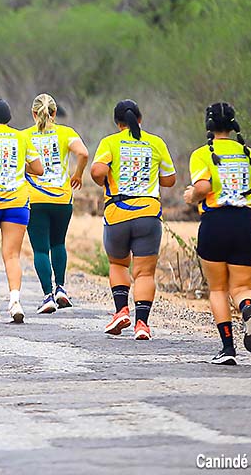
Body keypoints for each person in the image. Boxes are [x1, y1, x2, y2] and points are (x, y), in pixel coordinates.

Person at [184, 103, 251, 365]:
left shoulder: (202, 154)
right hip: (245, 222)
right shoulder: (249, 154)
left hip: (215, 223)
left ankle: (228, 348)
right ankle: (247, 309)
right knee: (242, 288)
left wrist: (191, 196)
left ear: (209, 126)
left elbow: (202, 187)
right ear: (233, 125)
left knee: (218, 288)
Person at [90, 100, 177, 340]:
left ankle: (121, 311)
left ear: (117, 122)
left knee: (118, 264)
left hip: (117, 212)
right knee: (144, 274)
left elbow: (97, 171)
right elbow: (170, 180)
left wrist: (104, 179)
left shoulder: (110, 142)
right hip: (148, 214)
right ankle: (142, 324)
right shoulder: (156, 142)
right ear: (140, 119)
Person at [0, 98, 44, 323]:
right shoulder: (22, 137)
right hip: (17, 202)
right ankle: (15, 301)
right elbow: (39, 169)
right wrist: (18, 166)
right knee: (12, 254)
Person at [22, 94, 90, 314]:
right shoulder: (66, 133)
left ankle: (48, 295)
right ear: (55, 112)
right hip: (62, 198)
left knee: (40, 249)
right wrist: (78, 174)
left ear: (34, 113)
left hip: (35, 199)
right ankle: (61, 288)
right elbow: (83, 153)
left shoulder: (24, 136)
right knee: (58, 243)